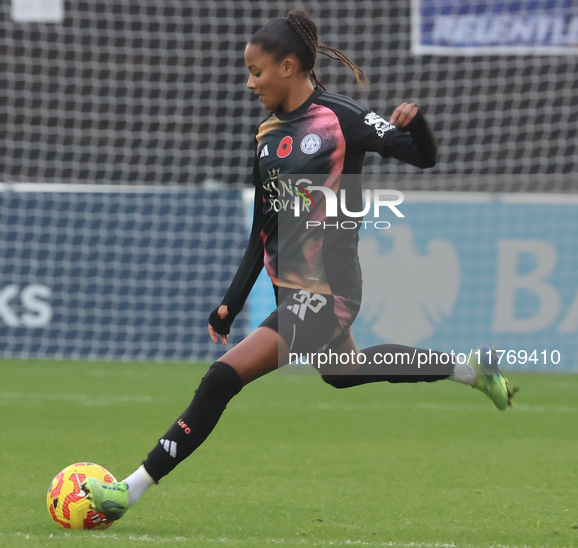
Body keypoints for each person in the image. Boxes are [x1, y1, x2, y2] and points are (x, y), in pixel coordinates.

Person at [84, 9, 516, 520]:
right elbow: (260, 227)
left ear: (288, 67)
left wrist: (416, 124)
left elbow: (422, 157)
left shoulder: (340, 119)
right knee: (343, 371)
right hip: (292, 291)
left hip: (329, 291)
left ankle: (127, 491)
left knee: (222, 379)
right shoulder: (266, 133)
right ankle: (472, 370)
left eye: (257, 71)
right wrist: (231, 302)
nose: (250, 83)